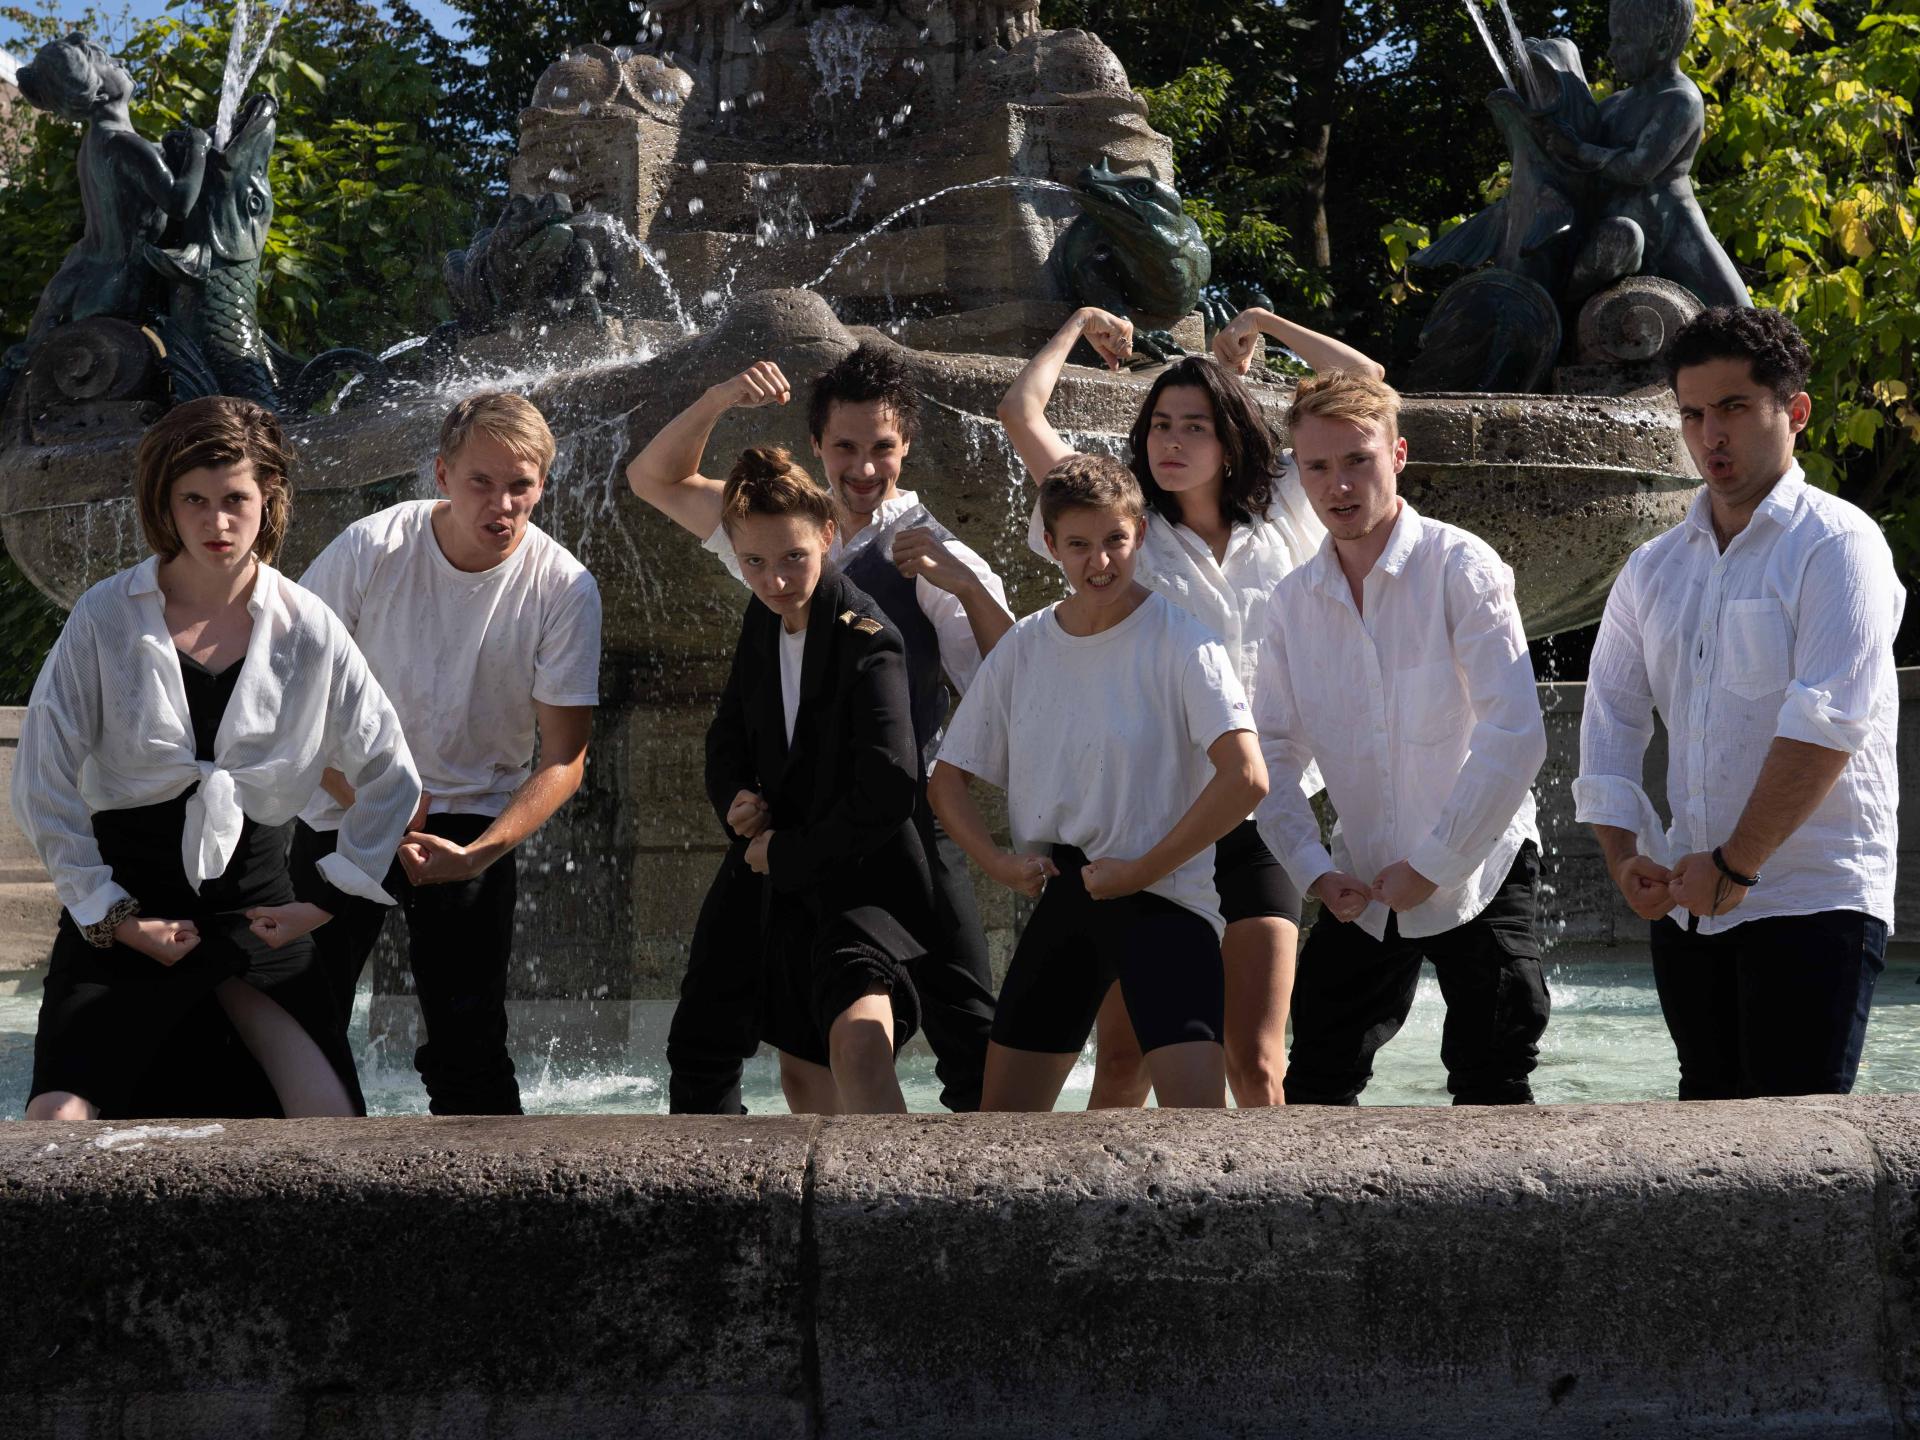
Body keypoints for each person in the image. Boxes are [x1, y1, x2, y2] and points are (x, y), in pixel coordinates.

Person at [995, 304, 1381, 1109]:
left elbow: (1367, 384)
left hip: (1268, 810)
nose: (1170, 442)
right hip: (1156, 824)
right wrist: (1071, 327)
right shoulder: (1127, 529)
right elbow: (1020, 414)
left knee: (1258, 1061)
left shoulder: (1284, 507)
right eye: (1161, 425)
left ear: (1230, 437)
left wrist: (1269, 324)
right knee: (1126, 1058)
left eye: (1194, 427)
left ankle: (1263, 1221)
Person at [628, 343, 1010, 1113]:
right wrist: (721, 397)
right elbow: (653, 479)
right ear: (816, 446)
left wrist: (960, 583)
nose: (864, 468)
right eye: (845, 447)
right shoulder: (777, 535)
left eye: (882, 449)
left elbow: (1018, 683)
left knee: (969, 1034)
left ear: (906, 447)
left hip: (902, 819)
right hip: (796, 824)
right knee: (799, 1041)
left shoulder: (933, 550)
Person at [15, 395, 420, 1121]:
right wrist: (112, 916)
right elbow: (43, 780)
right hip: (123, 923)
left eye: (236, 499)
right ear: (164, 504)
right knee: (53, 1130)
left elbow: (392, 773)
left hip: (258, 922)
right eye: (194, 500)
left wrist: (323, 901)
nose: (217, 522)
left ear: (269, 500)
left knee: (333, 1129)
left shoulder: (308, 625)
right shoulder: (105, 616)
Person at [1573, 307, 1901, 1099]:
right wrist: (1625, 858)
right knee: (1709, 1147)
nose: (1709, 434)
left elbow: (1828, 721)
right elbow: (1610, 722)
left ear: (1794, 412)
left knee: (1798, 1153)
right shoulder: (1652, 568)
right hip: (1691, 906)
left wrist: (1736, 866)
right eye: (1692, 413)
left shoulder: (1838, 543)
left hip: (1814, 900)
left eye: (1732, 408)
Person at [289, 392, 602, 1116]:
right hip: (345, 797)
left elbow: (565, 755)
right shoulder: (372, 547)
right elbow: (284, 693)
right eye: (481, 483)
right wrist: (365, 795)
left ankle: (491, 1210)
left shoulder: (564, 586)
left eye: (520, 485)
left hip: (469, 817)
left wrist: (484, 851)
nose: (502, 504)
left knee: (469, 1041)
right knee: (305, 1017)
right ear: (442, 474)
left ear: (542, 485)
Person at [929, 453, 1267, 1111]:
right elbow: (946, 781)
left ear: (1139, 534)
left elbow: (1247, 778)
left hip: (1168, 903)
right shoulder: (1025, 647)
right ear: (1050, 544)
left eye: (1115, 540)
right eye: (1079, 545)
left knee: (1199, 1135)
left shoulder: (1183, 641)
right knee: (1004, 1139)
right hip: (1065, 901)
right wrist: (996, 863)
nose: (1100, 562)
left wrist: (1143, 869)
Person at [1253, 371, 1550, 1106]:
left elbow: (1515, 734)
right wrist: (1313, 867)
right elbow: (1273, 757)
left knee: (1494, 1071)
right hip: (1362, 874)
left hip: (1480, 862)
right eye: (1317, 466)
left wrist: (1436, 862)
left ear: (1399, 455)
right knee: (1319, 1067)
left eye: (1358, 460)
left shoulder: (1462, 566)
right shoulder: (1291, 604)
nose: (1339, 485)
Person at [693, 446, 934, 1113]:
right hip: (779, 876)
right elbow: (727, 737)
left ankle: (893, 1205)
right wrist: (734, 800)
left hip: (863, 878)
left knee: (857, 1046)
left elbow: (891, 783)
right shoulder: (761, 617)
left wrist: (787, 852)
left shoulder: (869, 638)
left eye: (793, 557)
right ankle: (790, 1211)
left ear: (827, 533)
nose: (775, 581)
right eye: (755, 564)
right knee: (780, 1070)